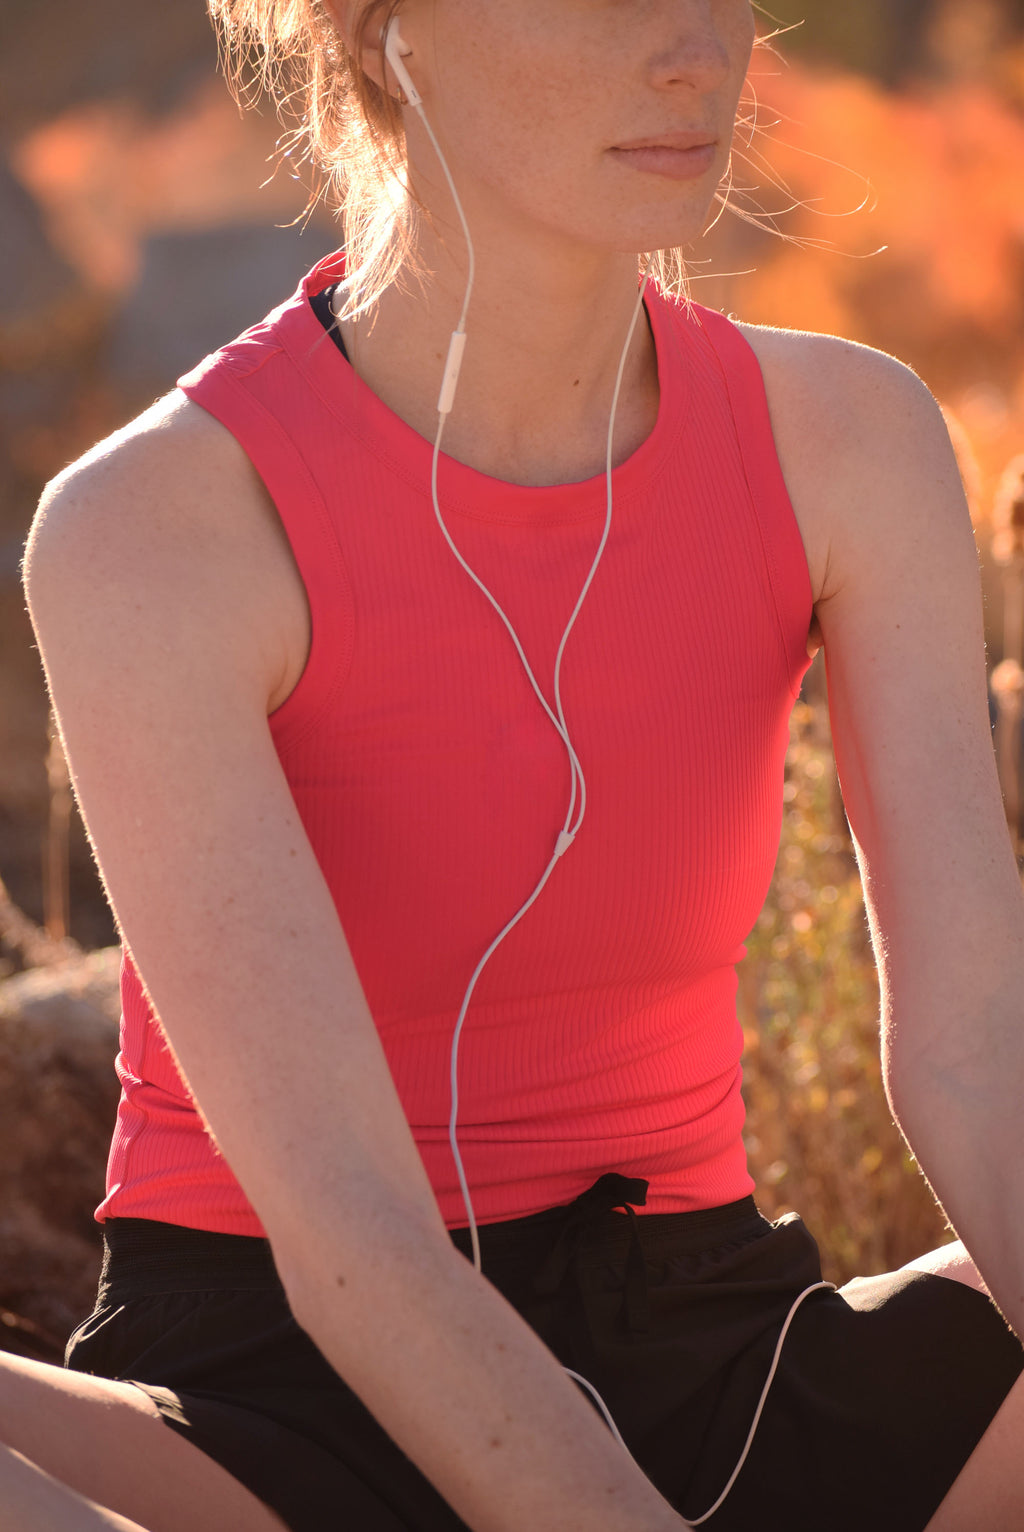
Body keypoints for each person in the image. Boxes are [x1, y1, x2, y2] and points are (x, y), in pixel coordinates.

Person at [11, 2, 1024, 1528]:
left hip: (718, 1346)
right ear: (377, 32)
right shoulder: (155, 529)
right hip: (288, 1402)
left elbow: (974, 1052)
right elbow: (351, 1232)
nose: (696, 50)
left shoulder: (850, 438)